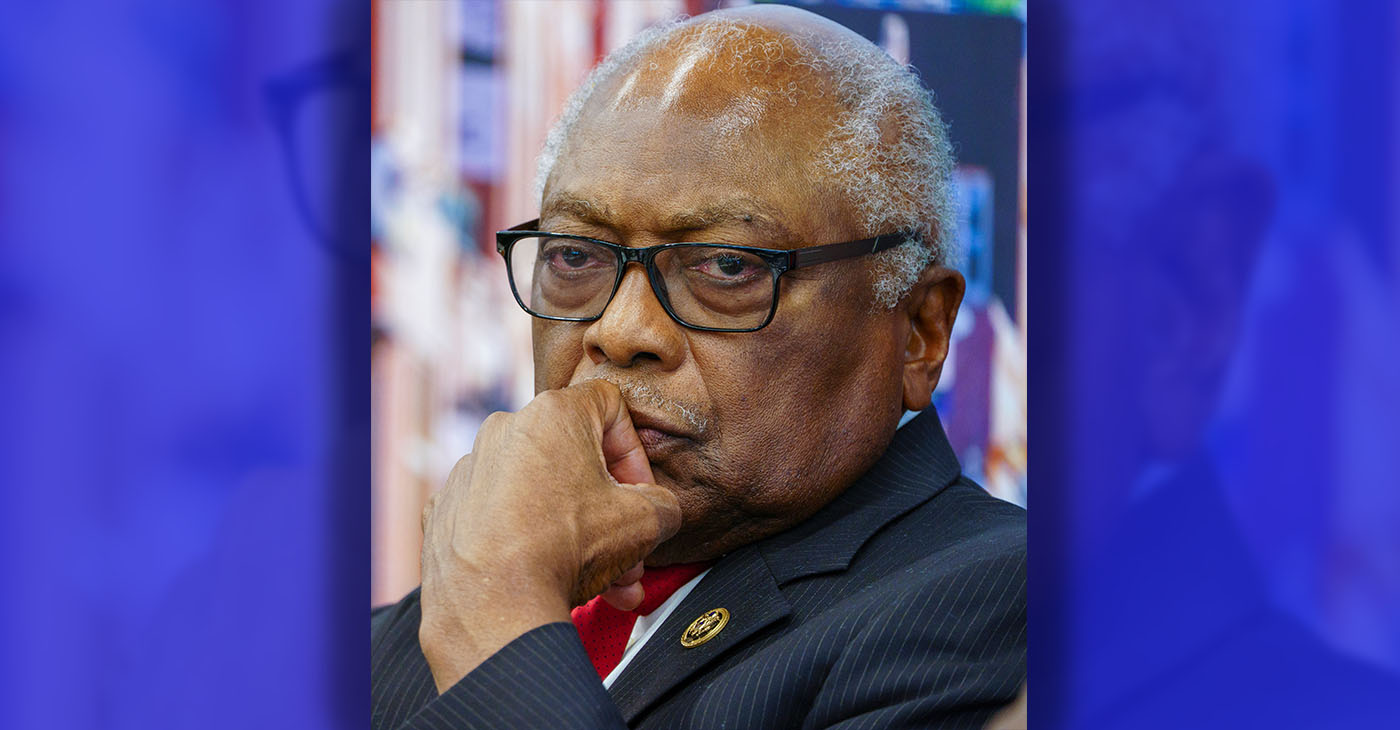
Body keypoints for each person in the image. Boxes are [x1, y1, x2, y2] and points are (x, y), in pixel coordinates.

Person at [371, 6, 1025, 729]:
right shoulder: (407, 628)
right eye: (576, 256)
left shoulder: (999, 605)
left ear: (919, 333)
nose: (620, 332)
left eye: (726, 265)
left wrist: (500, 635)